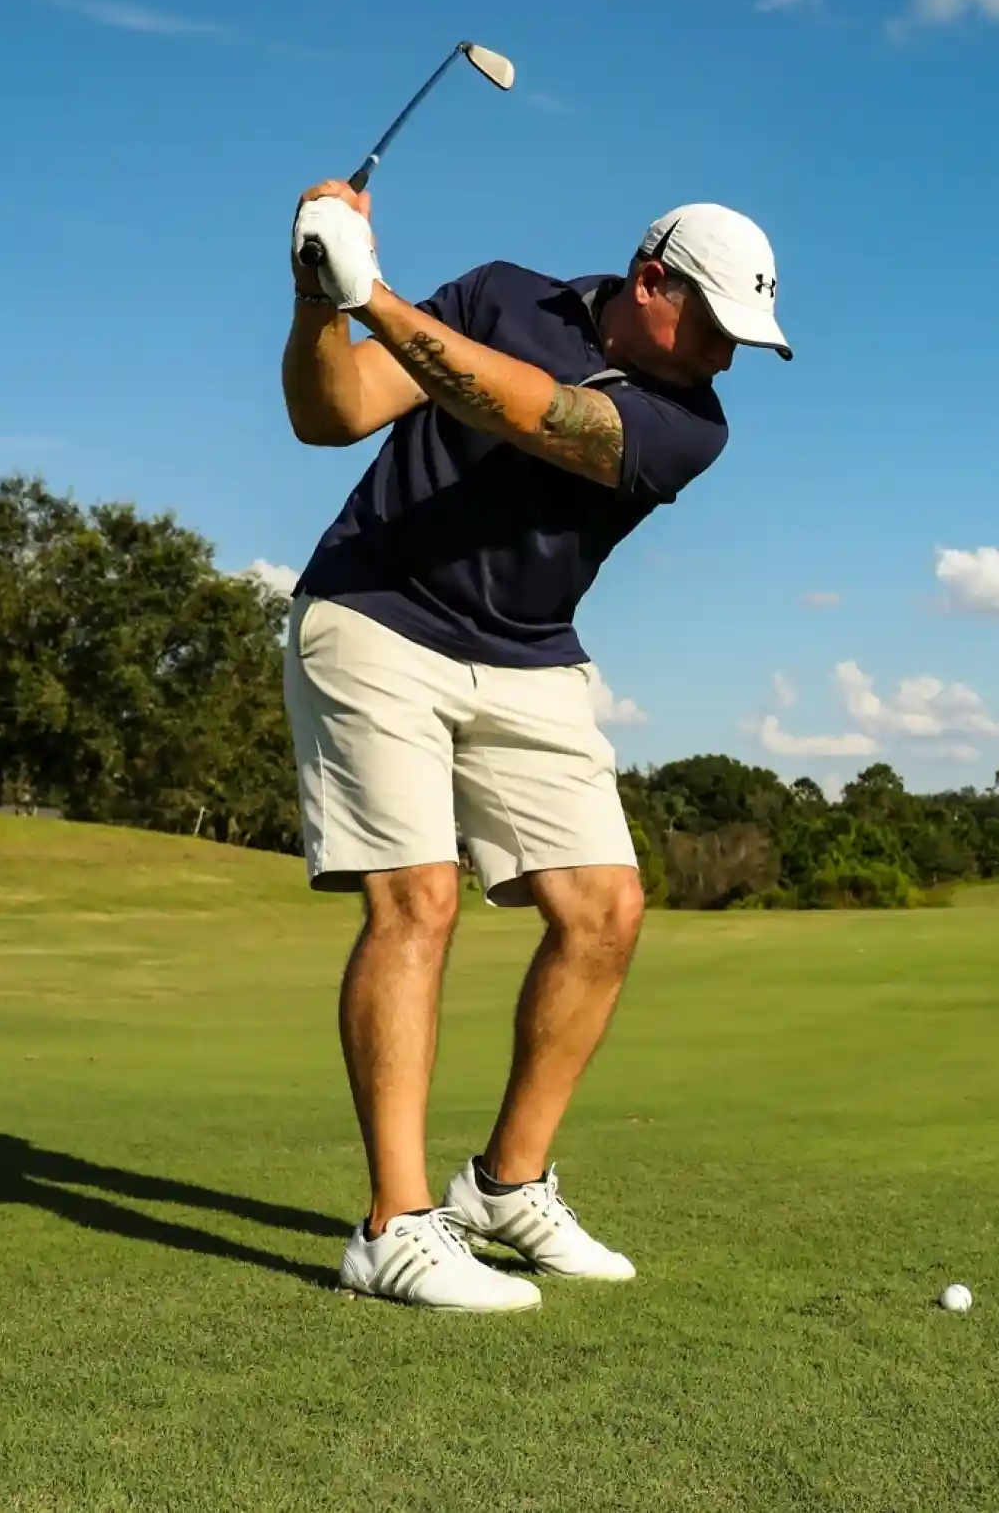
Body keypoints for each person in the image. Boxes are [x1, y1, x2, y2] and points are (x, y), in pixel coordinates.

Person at [279, 181, 790, 1310]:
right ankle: (395, 1224)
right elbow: (333, 415)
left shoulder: (690, 424)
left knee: (603, 908)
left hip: (526, 652)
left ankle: (505, 1185)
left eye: (743, 341)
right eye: (710, 326)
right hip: (372, 613)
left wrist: (378, 296)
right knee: (416, 899)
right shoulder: (501, 294)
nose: (723, 356)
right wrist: (322, 300)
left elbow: (538, 416)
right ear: (649, 280)